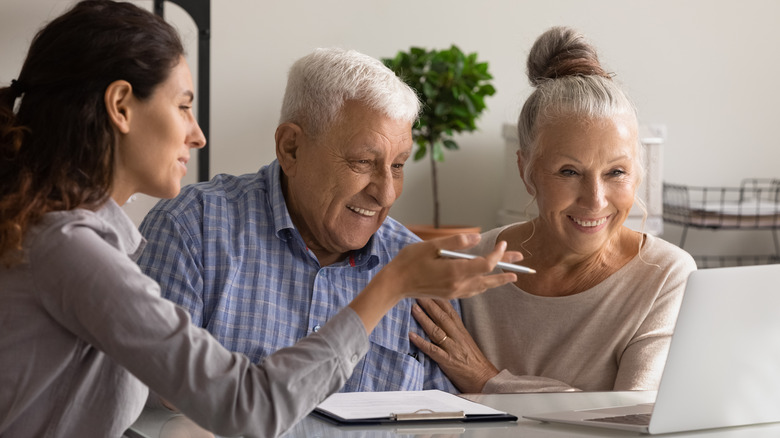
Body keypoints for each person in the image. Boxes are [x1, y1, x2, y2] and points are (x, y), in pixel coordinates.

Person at [0, 2, 522, 437]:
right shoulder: (75, 250)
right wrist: (390, 286)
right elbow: (246, 408)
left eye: (399, 165)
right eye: (183, 105)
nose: (197, 134)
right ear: (121, 105)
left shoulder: (78, 242)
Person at [136, 48, 460, 393]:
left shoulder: (418, 269)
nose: (386, 195)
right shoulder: (192, 229)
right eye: (363, 161)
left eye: (397, 166)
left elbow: (443, 424)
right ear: (291, 148)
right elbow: (153, 404)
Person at [409, 26, 697, 394]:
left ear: (638, 172)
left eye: (616, 172)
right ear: (526, 171)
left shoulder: (666, 275)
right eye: (568, 171)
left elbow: (630, 418)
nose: (595, 199)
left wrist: (488, 381)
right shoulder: (469, 265)